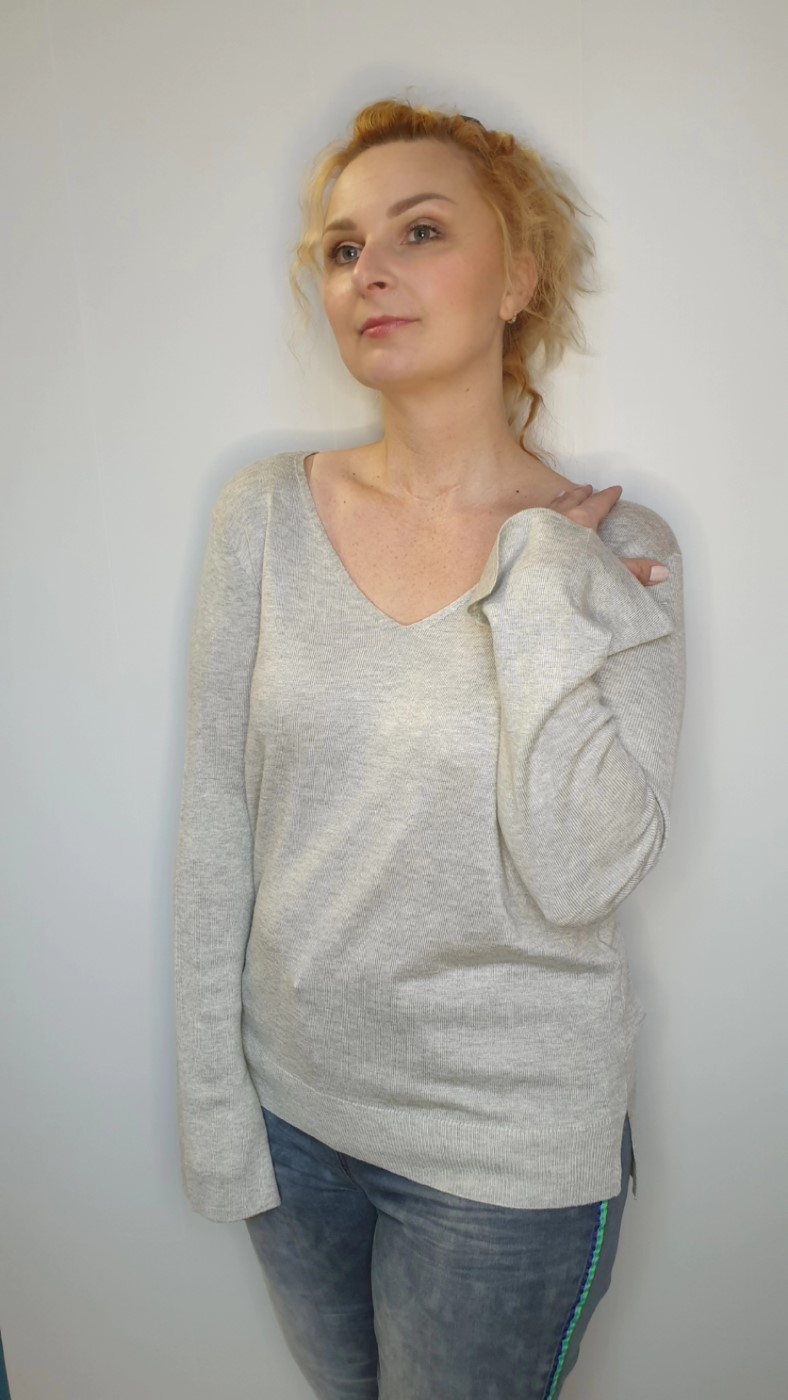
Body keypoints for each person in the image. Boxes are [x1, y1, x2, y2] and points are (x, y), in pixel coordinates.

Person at [173, 97, 686, 1400]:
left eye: (419, 231)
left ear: (518, 279)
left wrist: (543, 588)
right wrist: (218, 1109)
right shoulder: (263, 517)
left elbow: (583, 875)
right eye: (343, 249)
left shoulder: (619, 555)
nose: (369, 272)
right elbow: (219, 820)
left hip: (505, 1159)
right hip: (295, 1125)